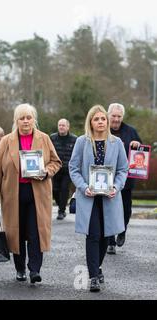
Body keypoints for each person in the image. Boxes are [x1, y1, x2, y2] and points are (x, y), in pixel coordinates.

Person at [0, 103, 61, 284]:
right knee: (17, 233)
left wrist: (46, 171)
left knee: (36, 232)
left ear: (34, 120)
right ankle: (20, 268)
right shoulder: (7, 141)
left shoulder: (44, 138)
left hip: (38, 193)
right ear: (16, 121)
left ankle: (35, 269)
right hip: (13, 194)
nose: (25, 121)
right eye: (22, 118)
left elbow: (56, 162)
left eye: (29, 117)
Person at [69, 105, 128, 292]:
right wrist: (83, 187)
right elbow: (74, 168)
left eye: (103, 119)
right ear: (91, 122)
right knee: (93, 234)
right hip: (89, 197)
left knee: (106, 235)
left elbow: (123, 169)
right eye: (97, 119)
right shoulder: (81, 142)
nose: (100, 122)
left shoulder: (116, 142)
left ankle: (97, 266)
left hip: (109, 197)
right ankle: (93, 276)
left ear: (108, 121)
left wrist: (117, 187)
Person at [106, 103, 142, 254]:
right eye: (113, 116)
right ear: (108, 115)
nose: (116, 119)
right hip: (105, 177)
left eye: (119, 116)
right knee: (108, 210)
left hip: (126, 178)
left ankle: (122, 231)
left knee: (125, 209)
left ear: (122, 117)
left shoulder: (131, 131)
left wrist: (137, 144)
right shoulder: (102, 128)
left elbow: (141, 151)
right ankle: (110, 242)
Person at [50, 119, 77, 220]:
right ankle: (60, 205)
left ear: (68, 127)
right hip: (55, 168)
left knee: (64, 189)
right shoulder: (52, 138)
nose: (61, 127)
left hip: (67, 169)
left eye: (63, 125)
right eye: (60, 125)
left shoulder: (74, 139)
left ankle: (61, 211)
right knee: (55, 190)